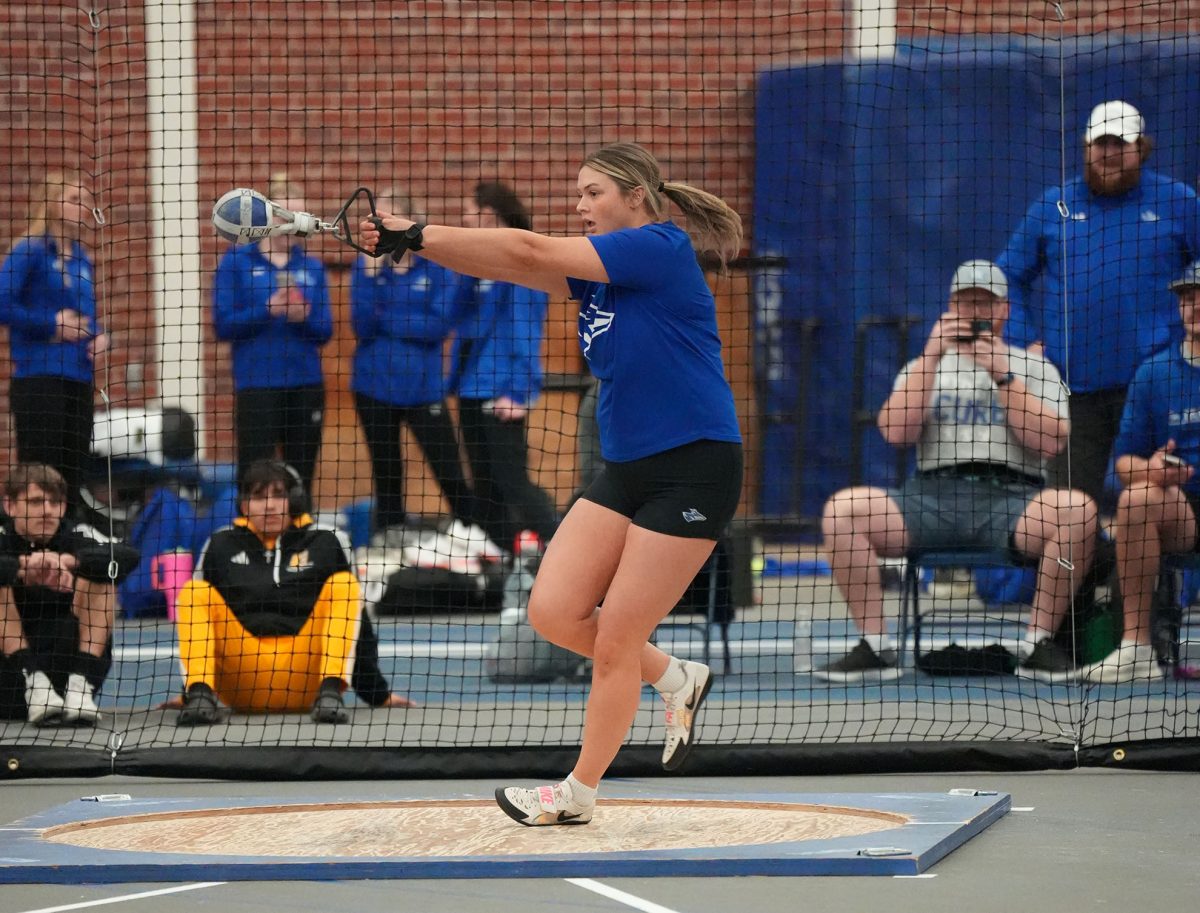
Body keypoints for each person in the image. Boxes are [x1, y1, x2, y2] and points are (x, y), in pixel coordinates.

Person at [361, 141, 744, 827]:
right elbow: (507, 260)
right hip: (628, 468)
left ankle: (578, 792)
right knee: (553, 610)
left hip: (696, 463)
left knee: (617, 639)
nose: (579, 205)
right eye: (578, 192)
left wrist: (415, 231)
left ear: (636, 193)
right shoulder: (598, 275)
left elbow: (533, 251)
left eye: (592, 191)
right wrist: (413, 245)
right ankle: (676, 676)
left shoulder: (659, 246)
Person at [815, 260, 1098, 684]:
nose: (974, 312)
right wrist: (930, 359)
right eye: (965, 302)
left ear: (1004, 310)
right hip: (931, 496)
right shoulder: (922, 368)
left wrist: (1002, 376)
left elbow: (1050, 442)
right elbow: (895, 432)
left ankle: (1036, 644)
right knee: (843, 509)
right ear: (950, 308)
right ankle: (876, 646)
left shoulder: (1036, 368)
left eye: (984, 303)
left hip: (1012, 497)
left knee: (1077, 510)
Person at [998, 100, 1200, 507]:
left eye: (1118, 144)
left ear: (1140, 147)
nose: (1107, 154)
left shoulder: (1178, 201)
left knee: (1158, 502)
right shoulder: (1054, 206)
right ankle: (1096, 573)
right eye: (1099, 144)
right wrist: (1025, 344)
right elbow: (1006, 278)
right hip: (1073, 392)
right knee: (1068, 511)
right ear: (1086, 147)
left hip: (1154, 388)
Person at [174, 460, 414, 725]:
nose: (269, 505)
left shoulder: (327, 540)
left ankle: (332, 693)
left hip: (307, 683)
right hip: (241, 683)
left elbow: (360, 624)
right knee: (194, 592)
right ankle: (199, 695)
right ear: (243, 505)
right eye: (258, 497)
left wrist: (377, 694)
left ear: (296, 501)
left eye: (279, 495)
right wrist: (189, 690)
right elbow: (198, 622)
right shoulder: (220, 544)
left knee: (344, 585)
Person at [350, 188, 497, 555]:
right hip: (372, 386)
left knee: (448, 470)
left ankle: (479, 539)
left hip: (422, 388)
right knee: (386, 473)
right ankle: (388, 545)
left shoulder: (435, 266)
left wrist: (387, 317)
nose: (379, 226)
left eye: (386, 219)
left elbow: (436, 326)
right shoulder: (367, 265)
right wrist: (369, 277)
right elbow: (362, 325)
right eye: (375, 219)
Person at [1084, 261, 1200, 683]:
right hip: (1182, 508)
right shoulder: (1154, 373)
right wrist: (1152, 470)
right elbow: (1124, 464)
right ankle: (1136, 649)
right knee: (1135, 498)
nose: (1194, 305)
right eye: (1187, 297)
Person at [212, 173, 332, 496]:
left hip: (304, 384)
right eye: (286, 214)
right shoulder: (236, 262)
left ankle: (298, 538)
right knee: (255, 474)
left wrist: (302, 316)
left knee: (300, 476)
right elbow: (223, 324)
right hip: (257, 385)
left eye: (299, 216)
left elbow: (324, 331)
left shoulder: (312, 267)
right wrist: (268, 309)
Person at [454, 181, 558, 549]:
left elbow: (526, 333)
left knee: (513, 484)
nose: (464, 219)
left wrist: (519, 392)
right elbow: (459, 319)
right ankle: (505, 574)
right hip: (469, 388)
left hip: (501, 394)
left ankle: (567, 549)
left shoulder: (522, 265)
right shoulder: (477, 267)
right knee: (485, 489)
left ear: (488, 215)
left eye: (469, 212)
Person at [0, 172, 110, 512]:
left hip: (78, 377)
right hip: (39, 377)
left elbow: (85, 315)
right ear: (51, 203)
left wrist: (102, 336)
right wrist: (51, 324)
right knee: (41, 470)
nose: (83, 209)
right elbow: (3, 302)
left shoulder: (81, 258)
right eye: (74, 200)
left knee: (73, 470)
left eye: (86, 202)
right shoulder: (29, 250)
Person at [0, 463, 138, 725]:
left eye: (55, 502)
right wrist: (24, 567)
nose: (48, 511)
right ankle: (34, 681)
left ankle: (80, 686)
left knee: (105, 572)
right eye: (36, 501)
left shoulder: (76, 535)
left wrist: (69, 562)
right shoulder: (2, 538)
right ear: (10, 506)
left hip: (66, 669)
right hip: (9, 681)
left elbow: (129, 556)